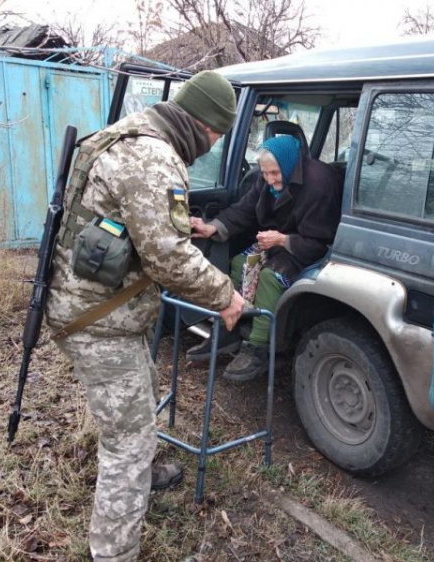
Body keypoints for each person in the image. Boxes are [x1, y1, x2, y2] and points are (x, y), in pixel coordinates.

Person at [45, 70, 245, 562]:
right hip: (99, 320)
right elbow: (169, 258)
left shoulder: (129, 131)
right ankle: (113, 551)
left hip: (97, 306)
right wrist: (226, 296)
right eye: (218, 133)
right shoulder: (154, 158)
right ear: (201, 123)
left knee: (140, 394)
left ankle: (140, 474)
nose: (215, 143)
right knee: (128, 442)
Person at [190, 134, 341, 381]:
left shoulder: (318, 184)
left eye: (275, 174)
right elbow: (245, 208)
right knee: (240, 263)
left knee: (272, 277)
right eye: (265, 174)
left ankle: (258, 348)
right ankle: (229, 331)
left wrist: (282, 240)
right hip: (277, 240)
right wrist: (212, 227)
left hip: (308, 247)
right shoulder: (267, 179)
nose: (269, 180)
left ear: (289, 165)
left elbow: (321, 241)